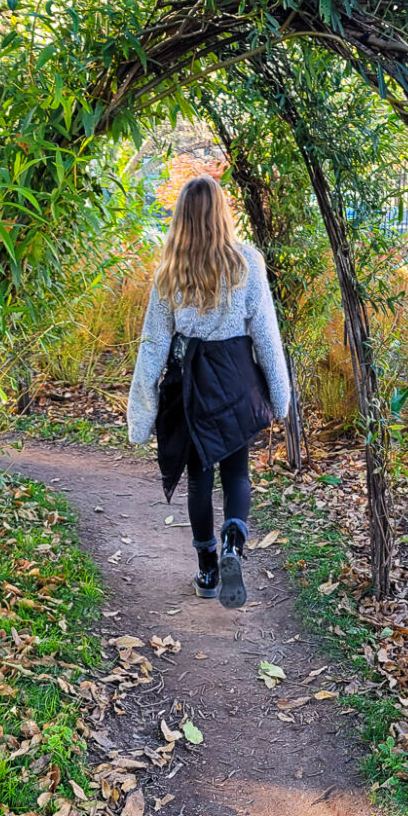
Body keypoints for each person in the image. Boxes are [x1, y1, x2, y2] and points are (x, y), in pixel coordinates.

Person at [127, 174, 290, 608]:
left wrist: (140, 417)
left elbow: (152, 347)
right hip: (236, 380)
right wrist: (280, 396)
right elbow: (267, 338)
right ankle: (235, 542)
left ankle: (208, 569)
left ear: (181, 216)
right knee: (237, 473)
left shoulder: (170, 272)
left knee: (199, 481)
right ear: (223, 212)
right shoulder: (248, 263)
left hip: (191, 386)